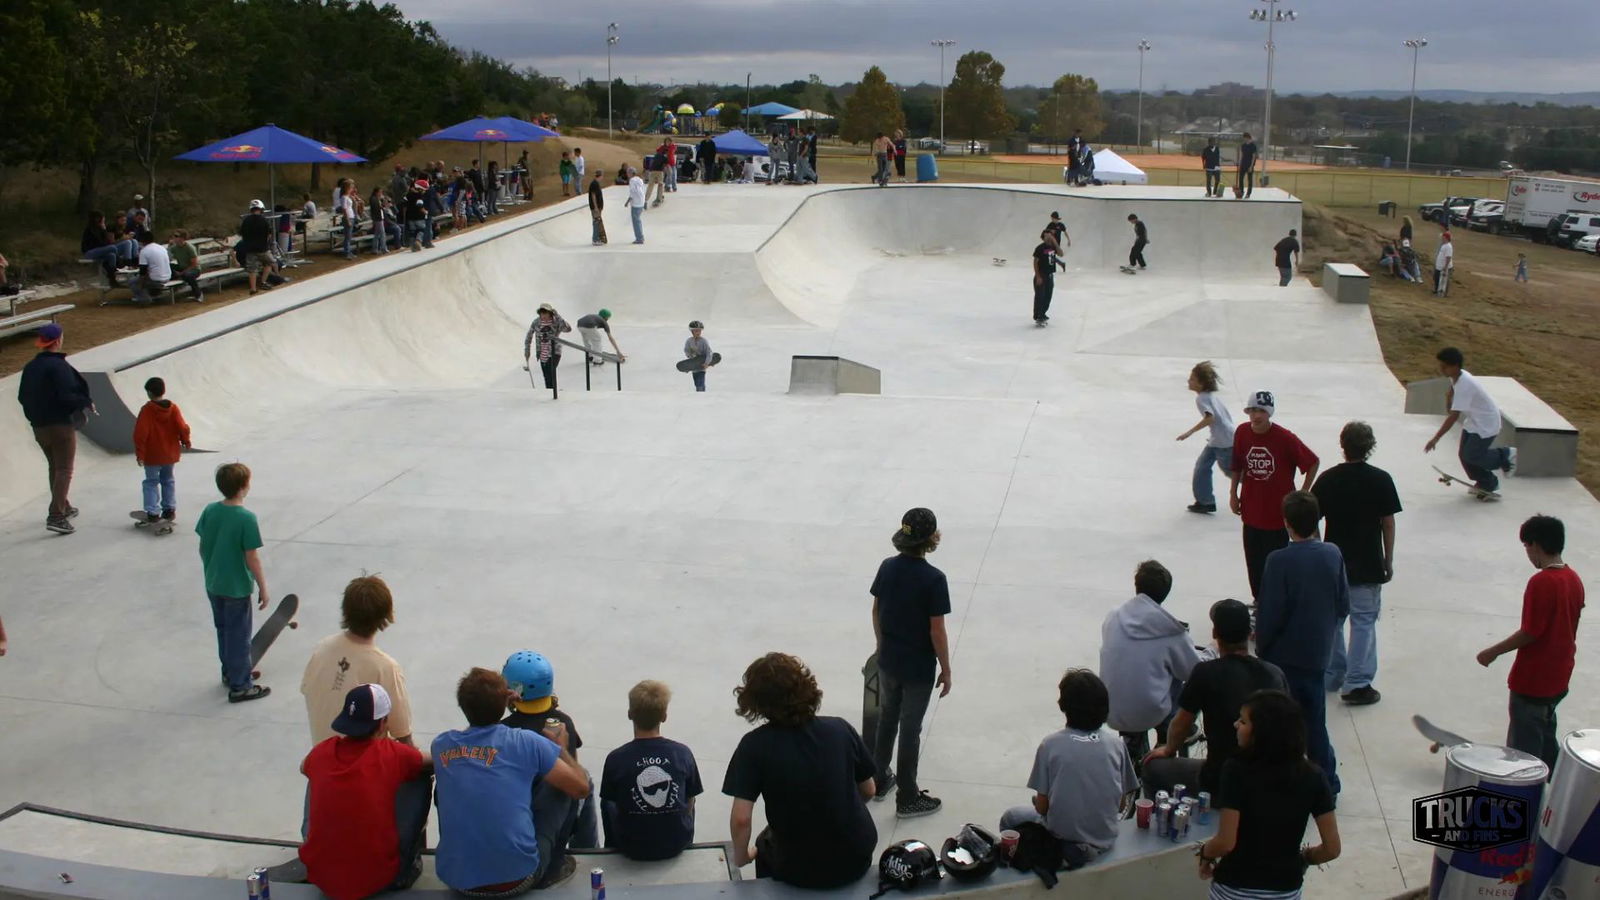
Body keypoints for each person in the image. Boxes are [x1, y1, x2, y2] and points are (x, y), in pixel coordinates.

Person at [722, 652, 878, 889]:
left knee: (765, 843)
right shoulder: (840, 728)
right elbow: (869, 789)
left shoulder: (754, 746)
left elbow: (742, 819)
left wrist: (741, 856)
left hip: (798, 868)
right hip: (856, 854)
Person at [431, 668, 586, 894]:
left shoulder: (441, 745)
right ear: (506, 701)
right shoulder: (526, 742)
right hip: (516, 879)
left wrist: (490, 703)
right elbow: (580, 788)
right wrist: (561, 749)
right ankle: (554, 867)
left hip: (456, 880)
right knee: (562, 785)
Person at [1196, 690, 1341, 899]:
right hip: (1286, 889)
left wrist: (1205, 853)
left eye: (1243, 721)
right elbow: (1332, 848)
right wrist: (1305, 857)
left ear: (1262, 732)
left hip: (1234, 887)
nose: (1236, 725)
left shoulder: (1236, 770)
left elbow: (1226, 841)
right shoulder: (1314, 776)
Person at [299, 684, 432, 900]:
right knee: (420, 775)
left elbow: (303, 766)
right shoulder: (391, 753)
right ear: (382, 724)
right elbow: (432, 760)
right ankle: (406, 865)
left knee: (316, 772)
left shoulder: (322, 751)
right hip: (376, 878)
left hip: (322, 876)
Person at [1143, 599, 1286, 798]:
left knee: (1153, 767)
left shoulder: (1206, 672)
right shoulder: (1275, 674)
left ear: (1214, 634)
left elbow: (1182, 724)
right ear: (1250, 633)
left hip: (1219, 778)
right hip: (1268, 781)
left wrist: (1169, 749)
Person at [1256, 491, 1348, 795]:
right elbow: (1343, 603)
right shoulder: (1332, 553)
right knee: (1315, 723)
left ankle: (1280, 784)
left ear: (1286, 523)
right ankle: (1327, 784)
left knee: (1280, 725)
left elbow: (1271, 612)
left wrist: (1263, 648)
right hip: (1318, 653)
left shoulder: (1279, 560)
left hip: (1284, 657)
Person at [1000, 669, 1138, 869]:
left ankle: (1016, 866)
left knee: (1011, 818)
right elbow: (1120, 803)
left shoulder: (1050, 745)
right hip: (1105, 840)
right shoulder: (1116, 746)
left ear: (1064, 707)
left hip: (1061, 840)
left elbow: (1042, 808)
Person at [1477, 515, 1584, 773]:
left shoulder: (1542, 582)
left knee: (1522, 756)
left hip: (1534, 679)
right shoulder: (1573, 578)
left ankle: (1525, 802)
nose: (1527, 553)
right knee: (1546, 739)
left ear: (1536, 545)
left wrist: (1492, 652)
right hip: (1559, 676)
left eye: (1526, 546)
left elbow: (1530, 632)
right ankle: (1558, 790)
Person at [869, 507, 952, 819]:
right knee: (910, 728)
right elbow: (937, 630)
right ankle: (908, 796)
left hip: (889, 660)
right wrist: (945, 668)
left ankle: (878, 781)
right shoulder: (934, 579)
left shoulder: (887, 567)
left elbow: (876, 610)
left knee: (887, 719)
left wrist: (880, 645)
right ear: (931, 540)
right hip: (917, 668)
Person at [1312, 422, 1400, 707]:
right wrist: (1388, 560)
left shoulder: (1327, 479)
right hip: (1368, 562)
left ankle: (1333, 674)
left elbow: (1311, 519)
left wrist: (1319, 549)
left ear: (1343, 445)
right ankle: (1358, 682)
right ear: (1370, 446)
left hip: (1334, 562)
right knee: (1363, 623)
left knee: (1334, 622)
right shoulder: (1381, 479)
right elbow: (1388, 523)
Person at [1099, 560, 1202, 762]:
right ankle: (1172, 731)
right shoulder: (1171, 631)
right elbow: (1193, 672)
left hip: (1112, 709)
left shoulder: (1113, 617)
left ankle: (1132, 744)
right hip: (1152, 711)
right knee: (1177, 678)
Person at [301, 575, 414, 746]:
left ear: (345, 610)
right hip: (361, 767)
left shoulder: (321, 649)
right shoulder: (385, 667)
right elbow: (403, 735)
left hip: (322, 757)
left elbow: (308, 691)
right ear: (385, 615)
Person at [501, 651, 598, 850]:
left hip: (520, 814)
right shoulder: (563, 723)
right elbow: (572, 770)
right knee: (585, 779)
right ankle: (588, 848)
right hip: (555, 817)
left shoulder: (504, 730)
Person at [1230, 390, 1319, 601]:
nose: (1256, 416)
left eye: (1261, 411)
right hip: (1251, 512)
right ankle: (1259, 600)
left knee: (1277, 565)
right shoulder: (1242, 432)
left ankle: (1276, 600)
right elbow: (1237, 465)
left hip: (1278, 517)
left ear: (1269, 413)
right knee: (1254, 563)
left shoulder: (1284, 437)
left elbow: (1312, 462)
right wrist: (1233, 493)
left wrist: (1302, 494)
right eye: (1252, 410)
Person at [600, 680, 702, 860]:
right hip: (675, 844)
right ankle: (685, 841)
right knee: (688, 793)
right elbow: (690, 801)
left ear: (630, 714)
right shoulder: (682, 753)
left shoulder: (616, 758)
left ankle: (612, 848)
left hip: (630, 846)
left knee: (608, 801)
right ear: (664, 716)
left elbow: (611, 802)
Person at [196, 462, 271, 703]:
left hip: (213, 582)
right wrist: (263, 587)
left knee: (224, 630)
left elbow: (203, 543)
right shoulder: (246, 518)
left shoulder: (210, 510)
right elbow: (252, 557)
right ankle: (241, 685)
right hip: (236, 586)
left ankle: (231, 672)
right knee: (239, 635)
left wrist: (210, 568)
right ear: (243, 487)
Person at [17, 323, 92, 534]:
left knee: (54, 467)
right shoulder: (59, 366)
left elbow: (22, 397)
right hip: (60, 425)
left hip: (39, 426)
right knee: (64, 470)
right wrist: (84, 402)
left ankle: (64, 506)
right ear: (58, 341)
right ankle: (56, 516)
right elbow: (68, 395)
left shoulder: (30, 367)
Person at [1424, 347, 1514, 496]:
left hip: (1487, 423)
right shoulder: (1456, 377)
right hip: (1474, 422)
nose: (1441, 369)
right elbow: (1451, 404)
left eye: (1444, 366)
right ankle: (1487, 482)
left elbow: (1453, 416)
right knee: (1464, 456)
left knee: (1472, 455)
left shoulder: (1465, 384)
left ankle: (1504, 455)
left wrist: (1436, 438)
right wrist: (1448, 398)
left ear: (1455, 365)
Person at [131, 377, 191, 527]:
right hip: (169, 454)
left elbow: (140, 433)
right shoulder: (173, 408)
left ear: (149, 393)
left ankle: (153, 512)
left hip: (152, 455)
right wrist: (186, 440)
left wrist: (140, 454)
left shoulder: (148, 410)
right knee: (168, 480)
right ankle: (169, 509)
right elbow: (182, 427)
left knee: (151, 482)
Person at [1179, 361, 1235, 514]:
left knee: (1232, 472)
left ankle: (1262, 489)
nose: (1188, 381)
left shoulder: (1202, 399)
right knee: (1202, 467)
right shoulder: (1209, 396)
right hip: (1220, 440)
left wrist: (1189, 432)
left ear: (1201, 384)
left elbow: (1210, 418)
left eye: (1192, 379)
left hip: (1224, 443)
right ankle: (1205, 501)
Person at [523, 303, 571, 394]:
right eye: (541, 313)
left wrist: (558, 316)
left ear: (550, 313)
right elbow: (529, 336)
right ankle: (549, 392)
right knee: (546, 375)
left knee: (551, 372)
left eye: (545, 313)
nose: (543, 315)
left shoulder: (556, 321)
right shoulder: (536, 322)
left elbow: (568, 329)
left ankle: (553, 392)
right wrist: (527, 350)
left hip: (554, 351)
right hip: (542, 352)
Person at [239, 200, 276, 295]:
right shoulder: (264, 220)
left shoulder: (246, 221)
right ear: (261, 209)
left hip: (250, 249)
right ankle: (263, 282)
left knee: (252, 269)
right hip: (262, 248)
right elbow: (269, 234)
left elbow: (242, 234)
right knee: (270, 262)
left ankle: (253, 289)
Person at [126, 231, 171, 305]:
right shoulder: (161, 247)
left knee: (132, 281)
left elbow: (142, 272)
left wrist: (140, 285)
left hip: (156, 280)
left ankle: (144, 299)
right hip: (167, 276)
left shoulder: (144, 251)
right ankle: (154, 294)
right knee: (145, 278)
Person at [81, 212, 121, 286]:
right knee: (113, 248)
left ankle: (112, 279)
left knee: (112, 255)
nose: (104, 222)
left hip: (98, 251)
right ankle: (120, 264)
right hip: (89, 252)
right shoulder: (90, 230)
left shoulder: (100, 229)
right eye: (103, 220)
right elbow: (100, 243)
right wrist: (104, 230)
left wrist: (104, 230)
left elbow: (106, 242)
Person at [167, 231, 204, 302]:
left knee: (188, 275)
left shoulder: (190, 248)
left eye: (176, 236)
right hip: (182, 267)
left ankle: (198, 294)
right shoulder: (174, 248)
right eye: (174, 236)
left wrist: (182, 273)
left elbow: (194, 264)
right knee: (169, 266)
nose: (174, 238)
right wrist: (169, 246)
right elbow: (167, 257)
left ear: (182, 238)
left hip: (194, 269)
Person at [1032, 230, 1058, 326]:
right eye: (1047, 235)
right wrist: (1038, 276)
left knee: (1048, 296)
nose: (1050, 237)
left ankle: (1043, 313)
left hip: (1050, 275)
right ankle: (1038, 316)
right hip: (1041, 275)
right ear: (1043, 237)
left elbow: (1061, 253)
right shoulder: (1040, 248)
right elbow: (1035, 262)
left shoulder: (1053, 247)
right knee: (1040, 296)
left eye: (1051, 235)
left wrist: (1055, 242)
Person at [683, 320, 716, 392]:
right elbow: (686, 350)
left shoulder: (703, 341)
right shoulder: (689, 341)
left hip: (702, 366)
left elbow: (709, 352)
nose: (698, 333)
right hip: (694, 367)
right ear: (692, 332)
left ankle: (701, 394)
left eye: (699, 331)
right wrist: (690, 357)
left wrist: (707, 363)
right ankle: (700, 394)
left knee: (700, 383)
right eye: (696, 331)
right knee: (696, 383)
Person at [402, 180, 434, 252]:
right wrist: (425, 212)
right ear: (420, 189)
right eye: (424, 190)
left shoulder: (408, 195)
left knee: (412, 232)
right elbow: (420, 206)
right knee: (421, 230)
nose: (424, 192)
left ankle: (413, 246)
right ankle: (418, 241)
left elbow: (403, 204)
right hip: (419, 217)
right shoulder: (419, 196)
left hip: (409, 217)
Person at [626, 167, 646, 245]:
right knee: (638, 220)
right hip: (641, 202)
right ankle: (640, 237)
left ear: (631, 173)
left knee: (636, 221)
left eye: (628, 173)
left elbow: (632, 192)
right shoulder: (639, 179)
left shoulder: (632, 181)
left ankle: (639, 238)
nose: (627, 175)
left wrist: (627, 202)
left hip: (636, 203)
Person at [587, 170, 607, 246]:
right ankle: (595, 239)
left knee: (597, 222)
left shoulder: (596, 183)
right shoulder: (594, 184)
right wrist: (595, 207)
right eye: (602, 176)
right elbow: (593, 196)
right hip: (595, 207)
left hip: (598, 207)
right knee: (596, 222)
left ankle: (597, 238)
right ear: (600, 176)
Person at [646, 142, 668, 207]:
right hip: (659, 171)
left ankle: (645, 199)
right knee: (660, 185)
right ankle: (659, 198)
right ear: (666, 152)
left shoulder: (656, 155)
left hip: (652, 171)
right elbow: (665, 165)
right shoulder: (665, 157)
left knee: (650, 185)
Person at [1237, 132, 1258, 198]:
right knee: (1241, 179)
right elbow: (1242, 155)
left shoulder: (1253, 146)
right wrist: (1240, 164)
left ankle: (1248, 193)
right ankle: (1241, 191)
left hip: (1249, 164)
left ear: (1248, 137)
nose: (1244, 139)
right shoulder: (1243, 145)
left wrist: (1251, 166)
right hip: (1243, 163)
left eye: (1245, 138)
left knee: (1249, 180)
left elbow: (1253, 156)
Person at [1434, 231, 1454, 296]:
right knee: (1436, 277)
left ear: (1446, 238)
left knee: (1444, 281)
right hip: (1439, 266)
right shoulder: (1444, 245)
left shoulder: (1448, 246)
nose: (1442, 238)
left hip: (1444, 267)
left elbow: (1448, 257)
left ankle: (1443, 293)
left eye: (1443, 237)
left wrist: (1445, 267)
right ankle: (1437, 290)